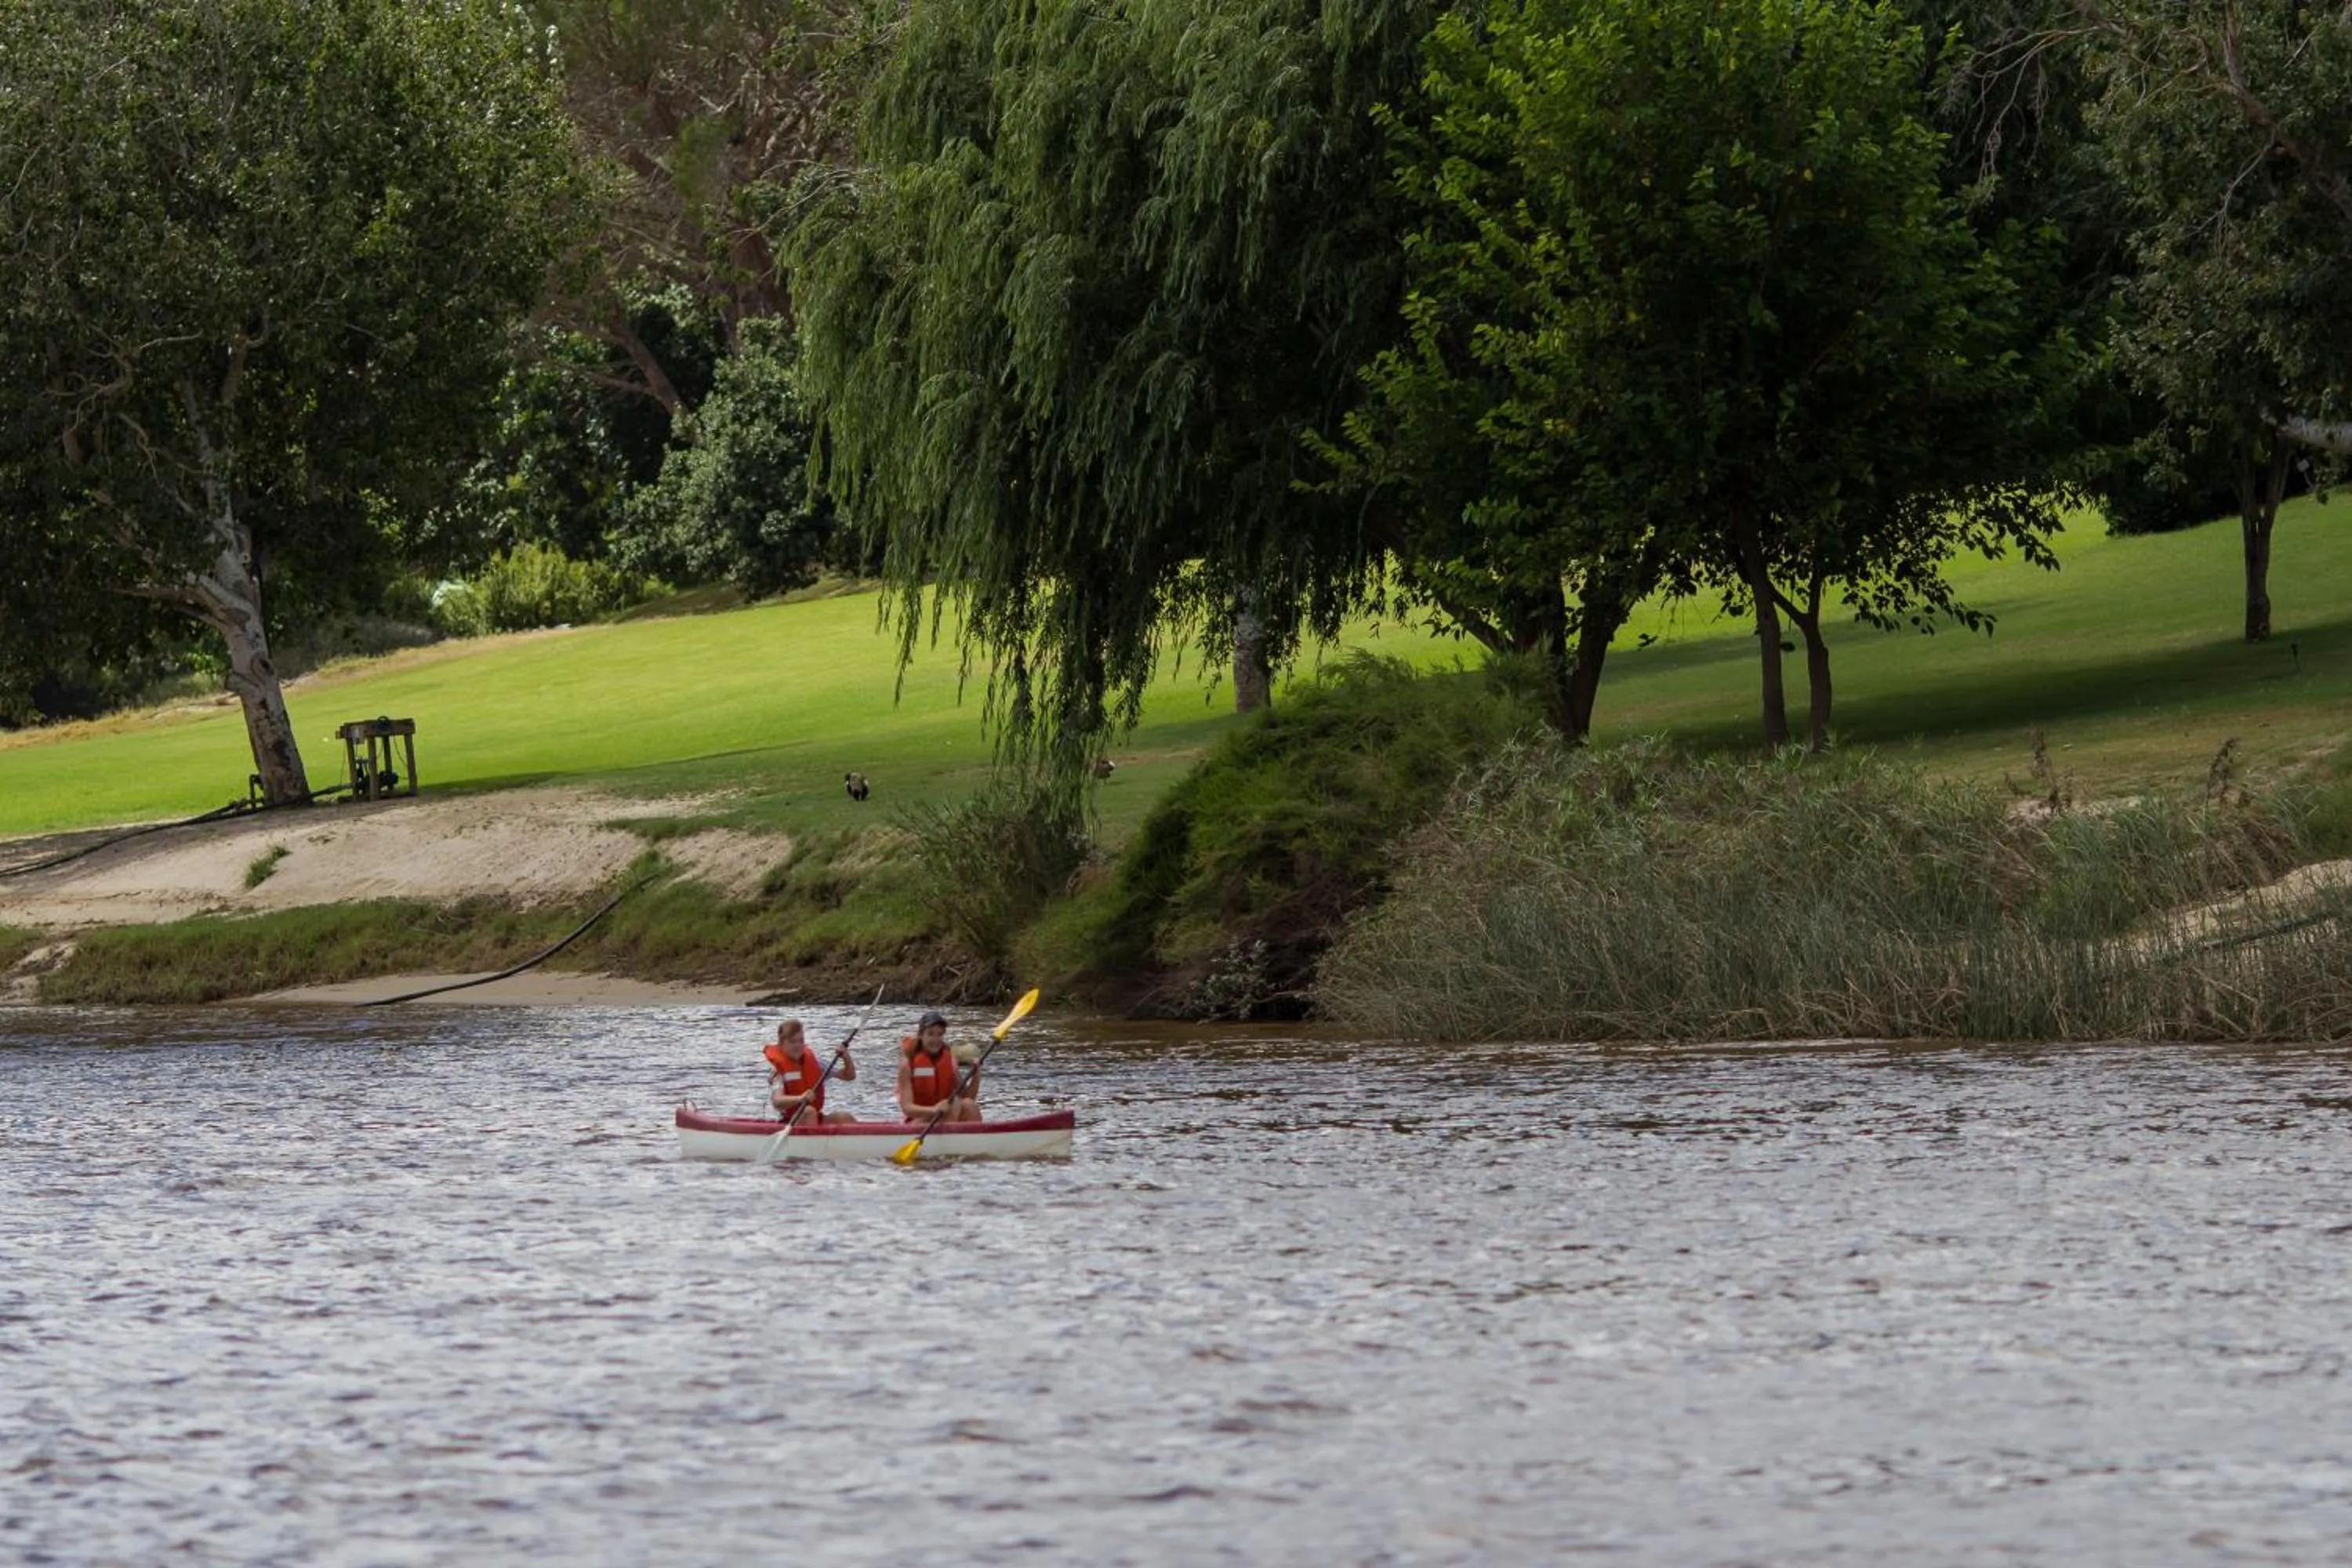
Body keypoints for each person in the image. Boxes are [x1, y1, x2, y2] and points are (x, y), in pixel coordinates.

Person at [896, 1009, 981, 1124]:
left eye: (940, 1034)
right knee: (954, 1104)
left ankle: (970, 1141)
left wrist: (976, 1075)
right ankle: (949, 1139)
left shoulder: (949, 1059)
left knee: (969, 1106)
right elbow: (907, 1108)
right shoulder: (907, 1064)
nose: (936, 1040)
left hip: (945, 1115)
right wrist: (934, 1110)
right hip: (918, 1121)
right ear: (921, 1035)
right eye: (930, 1034)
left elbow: (968, 1097)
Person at [765, 1018, 855, 1127]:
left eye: (801, 1041)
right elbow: (777, 1101)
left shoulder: (816, 1062)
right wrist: (800, 1098)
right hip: (790, 1122)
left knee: (845, 1118)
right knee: (809, 1112)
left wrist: (846, 1057)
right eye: (793, 1042)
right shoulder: (778, 1071)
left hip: (814, 1118)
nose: (798, 1046)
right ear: (781, 1044)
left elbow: (849, 1076)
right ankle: (812, 1142)